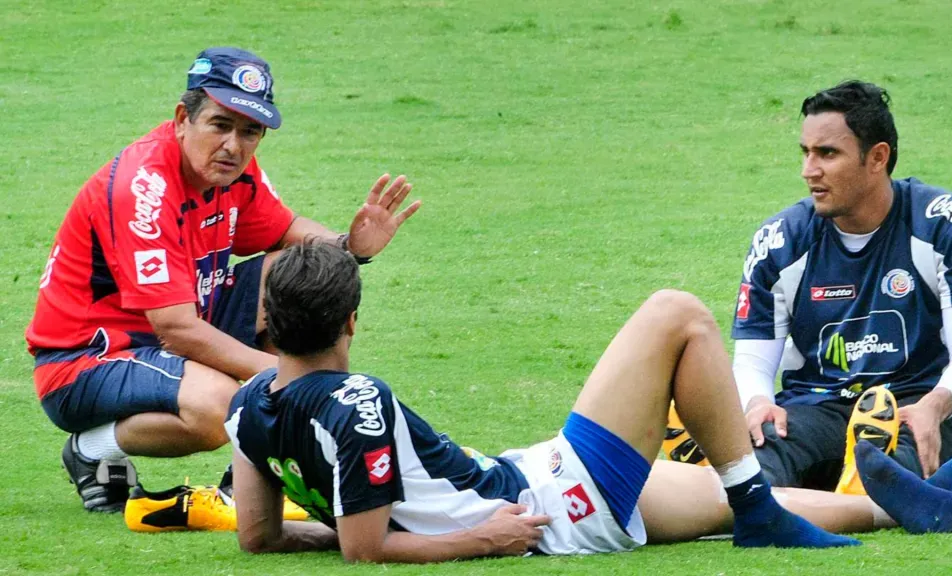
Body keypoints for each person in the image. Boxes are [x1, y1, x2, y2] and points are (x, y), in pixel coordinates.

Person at [222, 238, 864, 562]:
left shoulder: (247, 404)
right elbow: (367, 551)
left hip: (532, 478)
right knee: (679, 314)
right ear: (352, 323)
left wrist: (332, 527)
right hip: (551, 506)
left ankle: (915, 507)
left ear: (269, 323)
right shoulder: (358, 401)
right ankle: (759, 511)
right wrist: (478, 539)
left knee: (731, 497)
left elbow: (259, 535)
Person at [25, 47, 420, 514]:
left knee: (306, 278)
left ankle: (256, 475)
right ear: (181, 119)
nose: (234, 145)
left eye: (250, 131)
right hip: (86, 361)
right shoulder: (143, 189)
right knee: (219, 406)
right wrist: (287, 377)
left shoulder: (235, 172)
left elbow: (288, 235)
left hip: (174, 327)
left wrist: (350, 247)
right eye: (220, 124)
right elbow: (175, 329)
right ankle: (91, 449)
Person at [730, 80, 952, 493]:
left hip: (917, 403)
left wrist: (936, 405)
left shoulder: (948, 225)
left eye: (828, 154)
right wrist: (757, 404)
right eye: (805, 153)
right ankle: (765, 487)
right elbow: (752, 362)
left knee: (902, 461)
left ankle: (863, 484)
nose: (809, 170)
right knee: (760, 457)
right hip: (817, 407)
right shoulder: (780, 241)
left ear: (877, 158)